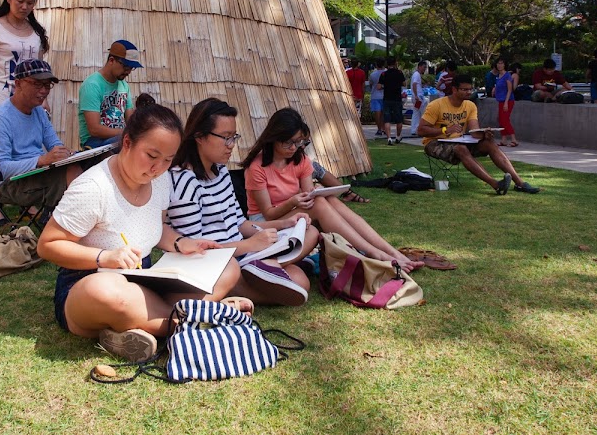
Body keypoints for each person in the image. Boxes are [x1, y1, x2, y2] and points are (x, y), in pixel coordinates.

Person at [36, 104, 247, 363]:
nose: (158, 167)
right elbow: (47, 245)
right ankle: (201, 318)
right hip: (90, 287)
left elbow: (155, 230)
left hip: (144, 283)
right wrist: (104, 257)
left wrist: (182, 243)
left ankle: (138, 328)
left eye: (168, 159)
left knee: (228, 267)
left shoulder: (160, 180)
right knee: (107, 290)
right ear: (127, 142)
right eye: (151, 155)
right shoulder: (93, 187)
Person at [167, 98, 315, 306]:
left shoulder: (221, 172)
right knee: (299, 282)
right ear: (199, 136)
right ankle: (238, 283)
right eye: (225, 138)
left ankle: (260, 270)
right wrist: (249, 245)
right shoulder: (184, 181)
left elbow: (239, 223)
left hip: (241, 255)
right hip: (215, 263)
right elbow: (195, 249)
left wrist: (284, 225)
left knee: (309, 237)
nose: (231, 146)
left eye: (234, 137)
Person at [243, 108, 423, 272]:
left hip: (294, 214)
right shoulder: (257, 167)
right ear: (274, 138)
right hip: (265, 223)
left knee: (325, 200)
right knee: (319, 204)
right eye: (288, 143)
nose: (294, 148)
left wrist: (314, 192)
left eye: (299, 142)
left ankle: (390, 252)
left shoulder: (300, 158)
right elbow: (268, 214)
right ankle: (375, 254)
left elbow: (308, 198)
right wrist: (294, 201)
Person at [0, 0, 50, 224]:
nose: (25, 7)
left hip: (30, 97)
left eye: (30, 3)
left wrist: (43, 101)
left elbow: (41, 71)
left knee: (29, 146)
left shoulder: (35, 32)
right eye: (20, 1)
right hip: (1, 95)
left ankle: (30, 201)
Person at [0, 59, 81, 216]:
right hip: (8, 185)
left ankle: (62, 221)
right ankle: (61, 223)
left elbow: (54, 145)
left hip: (38, 174)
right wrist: (41, 160)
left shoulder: (39, 112)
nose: (43, 91)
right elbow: (2, 170)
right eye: (37, 84)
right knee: (72, 174)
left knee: (88, 166)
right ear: (19, 84)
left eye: (47, 85)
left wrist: (67, 154)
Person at [418, 74, 540, 195]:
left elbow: (474, 132)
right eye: (464, 89)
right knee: (461, 149)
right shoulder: (436, 105)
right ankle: (496, 184)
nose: (468, 92)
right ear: (454, 89)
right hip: (434, 142)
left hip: (459, 140)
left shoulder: (470, 105)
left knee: (489, 143)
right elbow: (421, 130)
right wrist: (444, 130)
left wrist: (483, 134)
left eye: (470, 89)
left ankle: (520, 183)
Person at [78, 40, 142, 149]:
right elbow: (94, 129)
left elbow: (130, 120)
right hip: (94, 143)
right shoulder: (92, 85)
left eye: (132, 68)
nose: (128, 72)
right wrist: (126, 133)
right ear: (112, 60)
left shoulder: (124, 86)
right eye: (126, 66)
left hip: (120, 138)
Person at [378, 57, 406, 145]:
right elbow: (404, 84)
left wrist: (385, 86)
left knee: (387, 119)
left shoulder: (384, 74)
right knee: (399, 119)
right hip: (397, 99)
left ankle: (389, 138)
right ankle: (398, 136)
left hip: (387, 98)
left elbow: (378, 87)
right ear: (395, 63)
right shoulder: (399, 73)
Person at [494, 58, 519, 147]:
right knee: (500, 120)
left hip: (507, 101)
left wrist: (506, 102)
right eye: (498, 63)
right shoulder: (498, 76)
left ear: (505, 65)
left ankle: (513, 139)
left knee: (505, 120)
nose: (499, 65)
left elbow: (510, 90)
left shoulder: (507, 75)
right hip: (500, 100)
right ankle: (503, 139)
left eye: (501, 63)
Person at [409, 60, 429, 137]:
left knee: (416, 113)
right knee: (423, 113)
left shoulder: (416, 74)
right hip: (418, 97)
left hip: (416, 97)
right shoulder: (417, 75)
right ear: (419, 67)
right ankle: (422, 129)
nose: (424, 69)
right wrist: (416, 95)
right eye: (424, 67)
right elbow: (414, 84)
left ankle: (414, 129)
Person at [368, 59, 386, 137]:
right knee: (383, 113)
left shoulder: (373, 74)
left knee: (377, 113)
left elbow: (371, 84)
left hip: (375, 95)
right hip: (385, 95)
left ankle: (379, 129)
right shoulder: (386, 73)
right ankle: (383, 128)